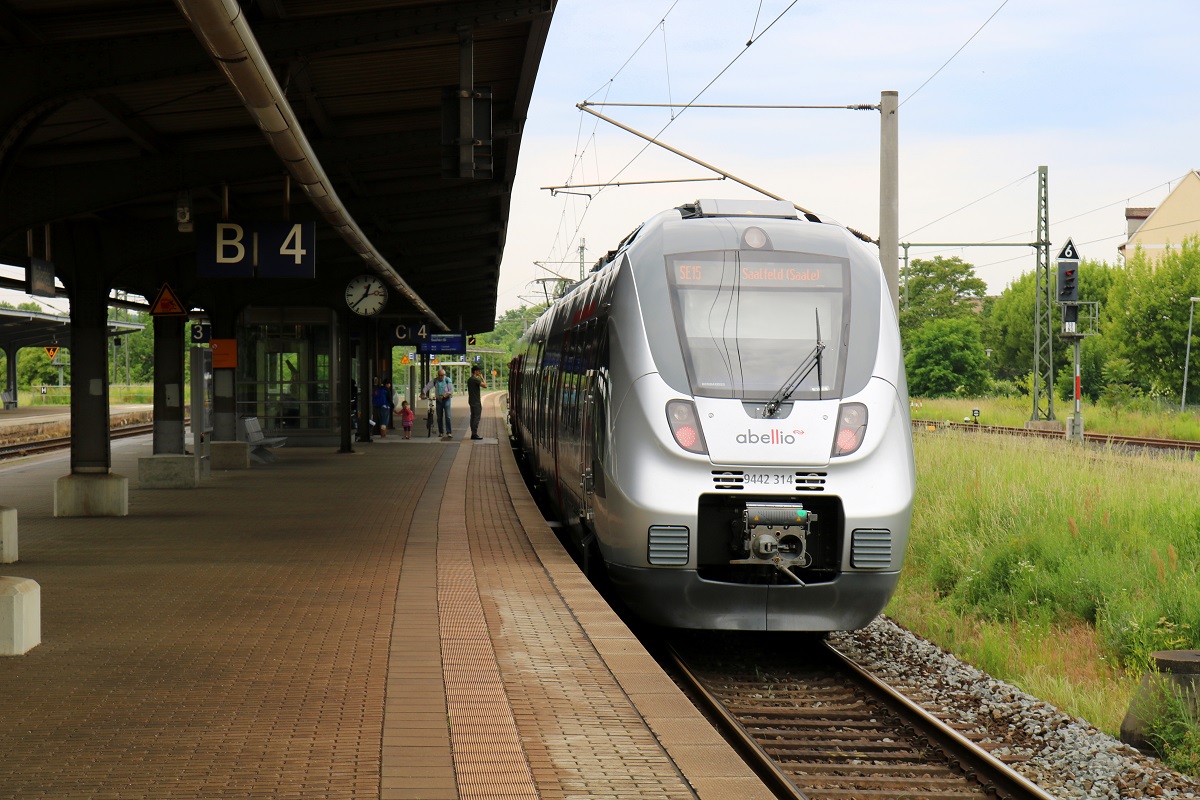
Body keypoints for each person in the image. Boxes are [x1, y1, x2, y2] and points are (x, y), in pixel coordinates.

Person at [421, 367, 455, 440]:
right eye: (439, 375)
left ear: (444, 375)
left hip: (446, 399)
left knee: (448, 416)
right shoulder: (435, 381)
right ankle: (441, 432)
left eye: (442, 375)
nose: (440, 377)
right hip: (438, 400)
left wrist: (445, 395)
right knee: (439, 417)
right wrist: (423, 393)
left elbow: (451, 390)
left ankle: (449, 432)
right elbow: (427, 387)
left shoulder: (447, 380)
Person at [467, 364, 487, 440]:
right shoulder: (475, 379)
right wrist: (482, 378)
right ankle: (474, 434)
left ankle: (473, 432)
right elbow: (485, 385)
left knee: (472, 417)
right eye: (479, 371)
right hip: (476, 401)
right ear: (475, 371)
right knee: (476, 417)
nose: (480, 372)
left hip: (471, 400)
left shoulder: (469, 379)